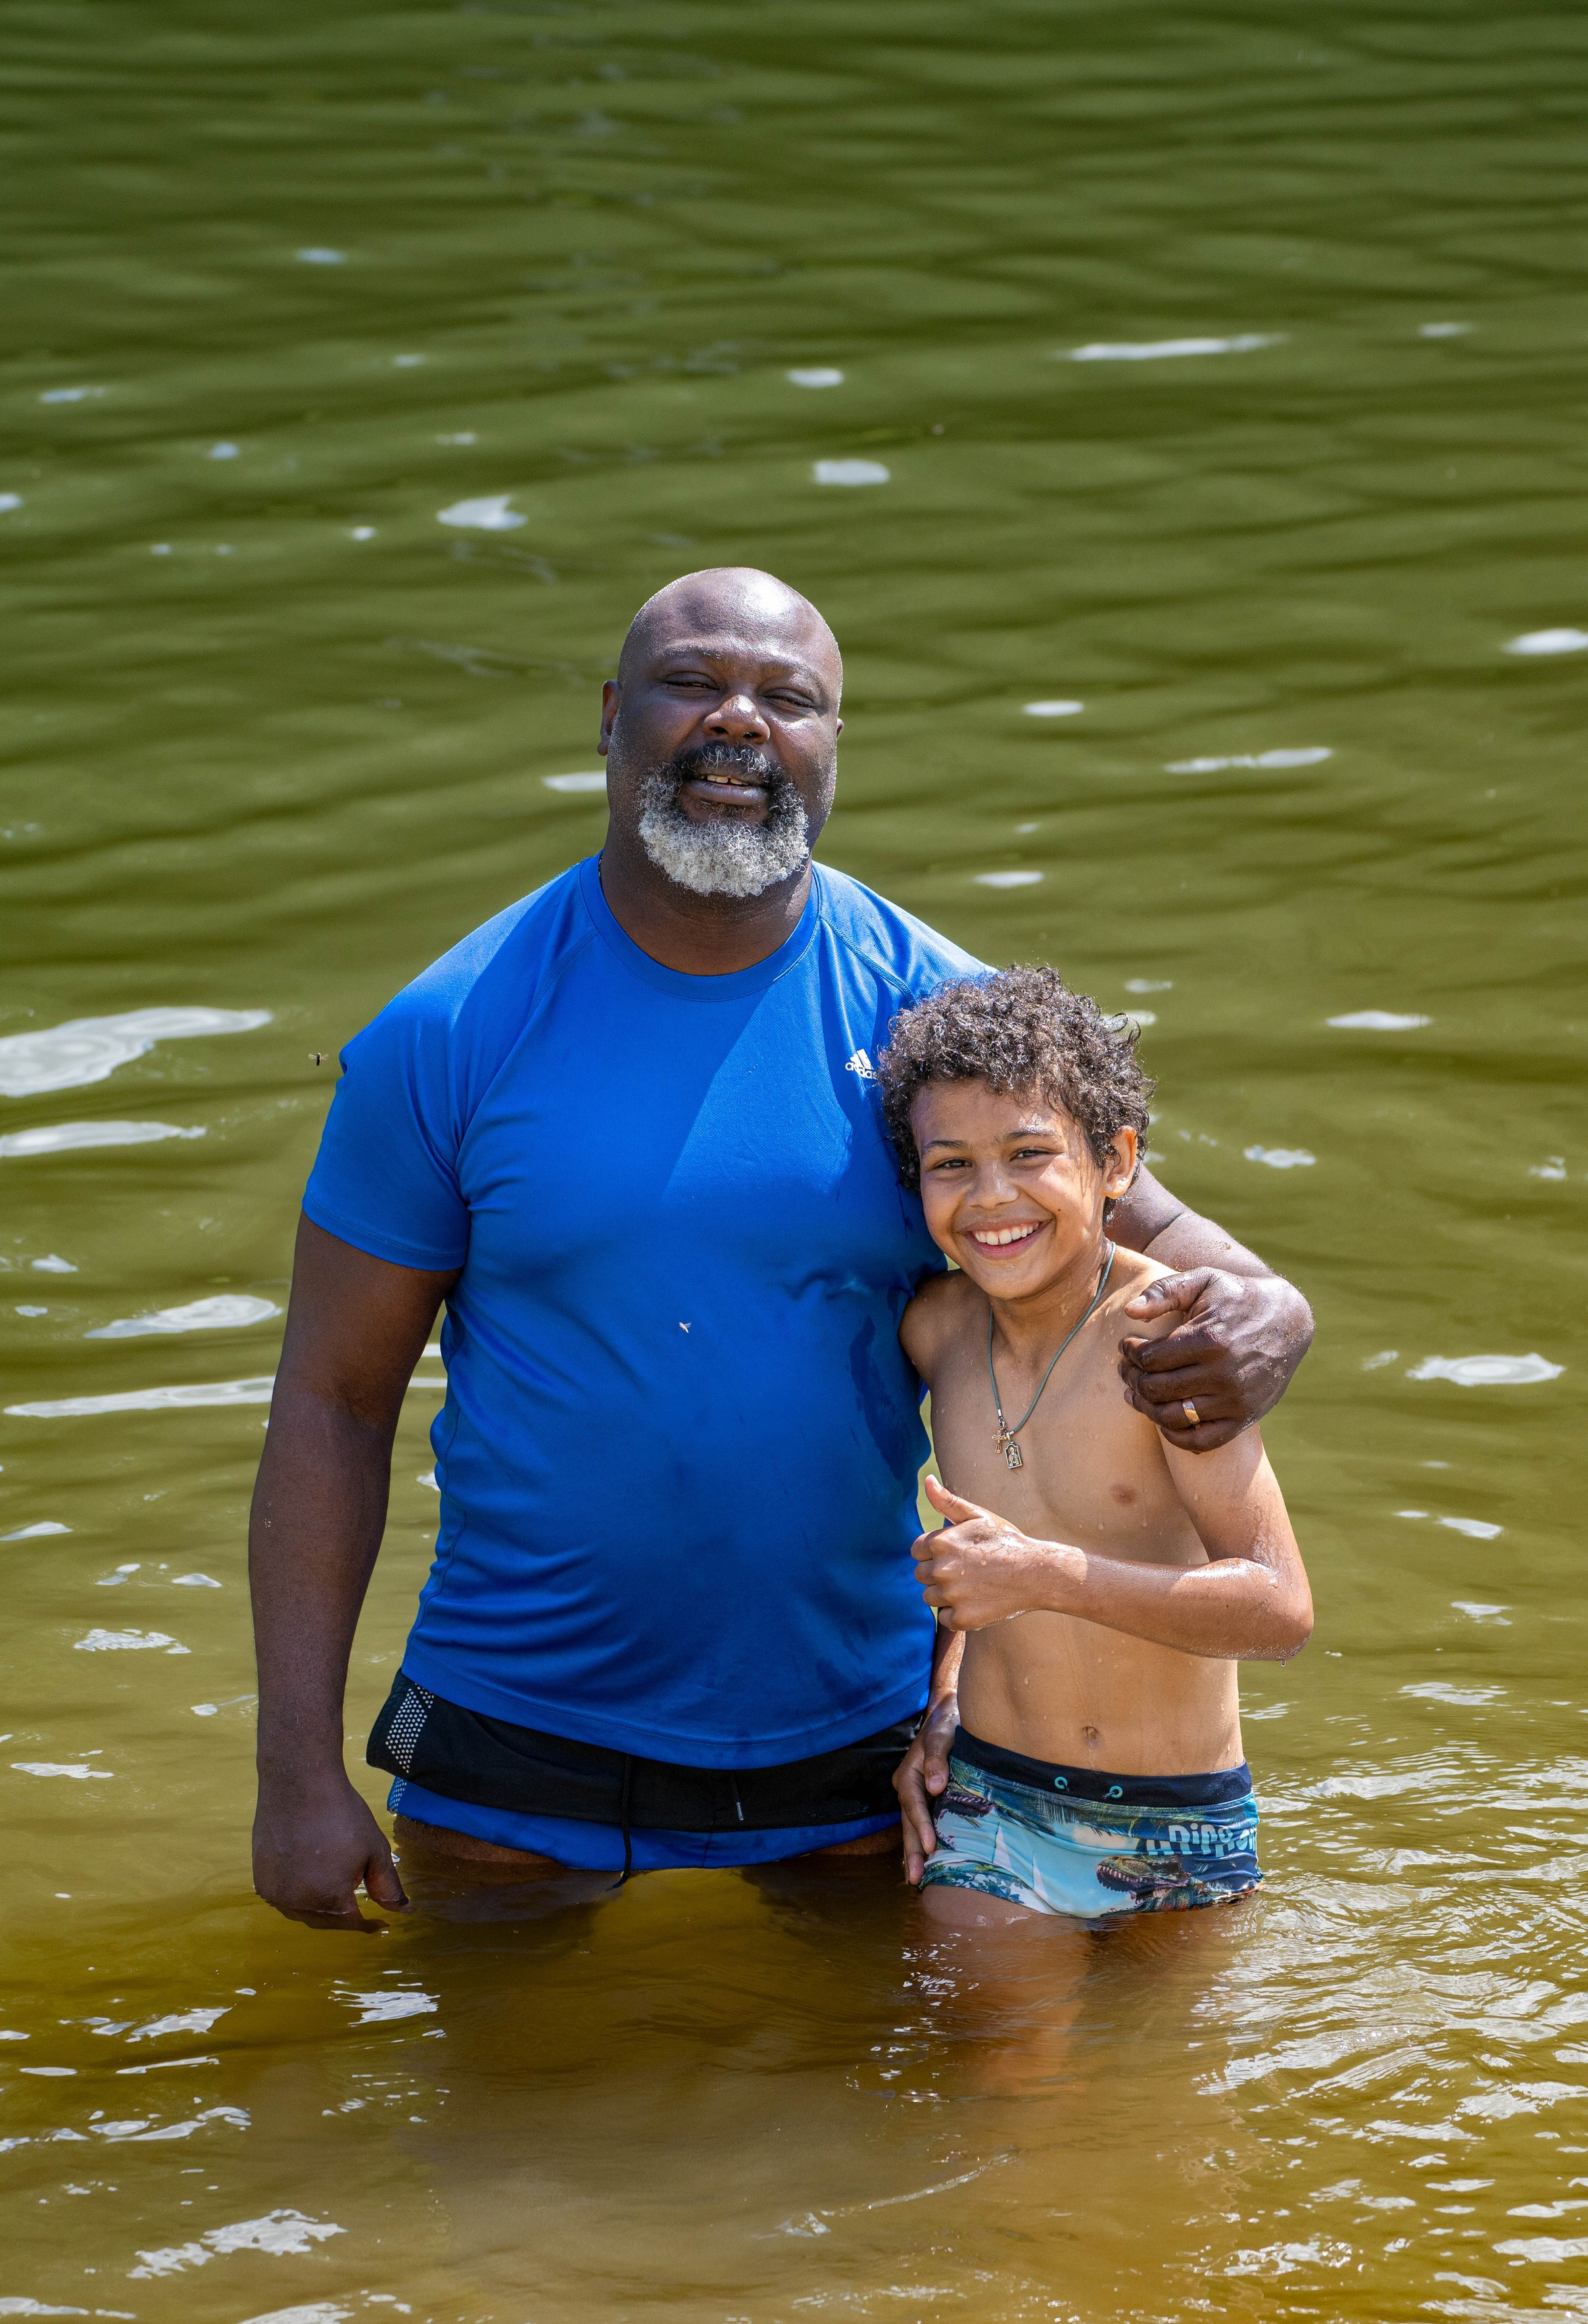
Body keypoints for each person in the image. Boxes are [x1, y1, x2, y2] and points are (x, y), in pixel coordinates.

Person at [249, 566, 1314, 1930]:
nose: (738, 722)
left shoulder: (931, 1014)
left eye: (787, 699)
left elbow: (1158, 1245)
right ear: (610, 718)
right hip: (518, 1717)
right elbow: (332, 1399)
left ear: (830, 749)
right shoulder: (448, 1032)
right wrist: (294, 1773)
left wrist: (1273, 1313)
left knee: (872, 2125)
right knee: (489, 2125)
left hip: (854, 1744)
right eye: (693, 683)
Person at [882, 965, 1312, 1923]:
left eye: (1031, 1153)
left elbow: (1280, 1609)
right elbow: (982, 1548)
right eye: (951, 1165)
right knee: (1000, 2069)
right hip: (996, 1799)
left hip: (1183, 1821)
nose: (992, 1200)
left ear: (1116, 1161)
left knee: (1170, 2076)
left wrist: (1047, 1577)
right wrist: (941, 1697)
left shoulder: (1168, 1344)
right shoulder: (936, 1332)